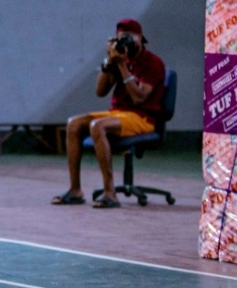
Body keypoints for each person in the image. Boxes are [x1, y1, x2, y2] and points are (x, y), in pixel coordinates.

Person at [52, 18, 166, 209]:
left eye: (130, 38)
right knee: (73, 123)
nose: (127, 43)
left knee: (98, 126)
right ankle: (75, 190)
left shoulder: (153, 63)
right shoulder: (118, 59)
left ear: (141, 37)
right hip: (118, 114)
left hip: (143, 117)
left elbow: (139, 98)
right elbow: (100, 91)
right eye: (121, 38)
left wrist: (122, 66)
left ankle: (110, 193)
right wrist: (109, 63)